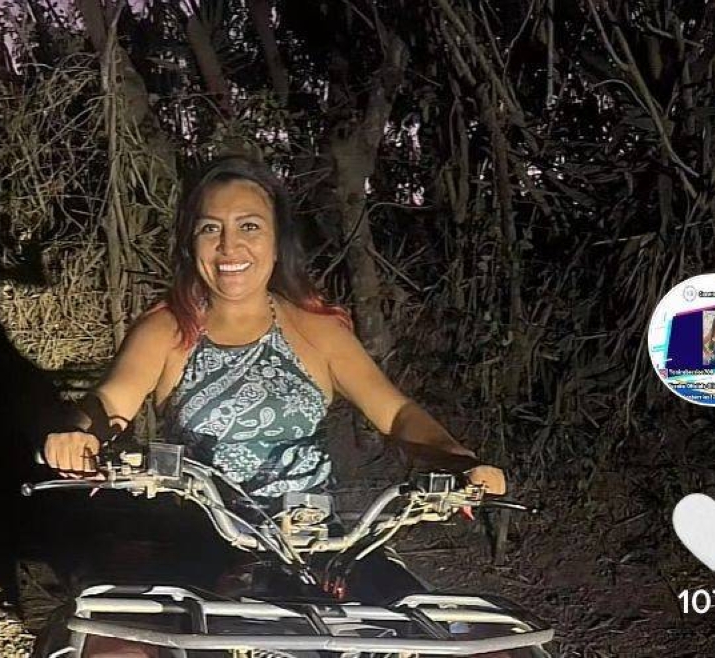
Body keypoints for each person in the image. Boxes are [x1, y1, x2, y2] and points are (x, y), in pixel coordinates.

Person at [42, 155, 506, 601]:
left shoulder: (318, 330)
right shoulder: (166, 329)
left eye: (249, 226)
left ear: (277, 239)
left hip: (319, 543)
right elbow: (111, 400)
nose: (229, 247)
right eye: (210, 228)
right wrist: (80, 437)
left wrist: (458, 461)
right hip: (202, 543)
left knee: (421, 623)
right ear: (190, 242)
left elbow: (397, 412)